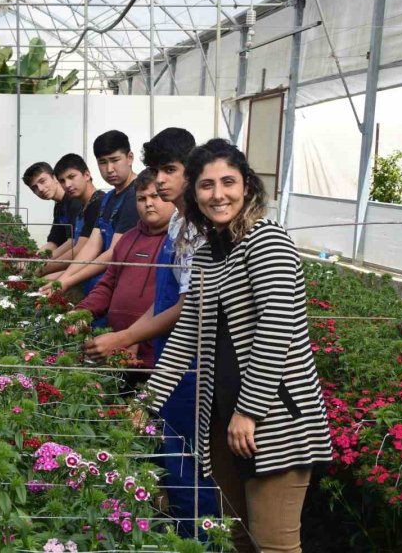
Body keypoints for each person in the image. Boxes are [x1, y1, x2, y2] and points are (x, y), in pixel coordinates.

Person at [144, 139, 333, 553]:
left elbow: (276, 329)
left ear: (246, 185)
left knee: (274, 545)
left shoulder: (267, 241)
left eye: (228, 182)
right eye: (206, 185)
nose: (218, 194)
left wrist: (248, 411)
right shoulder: (209, 253)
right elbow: (186, 335)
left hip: (273, 421)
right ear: (194, 193)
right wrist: (147, 402)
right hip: (223, 422)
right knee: (237, 538)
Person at [106, 127, 219, 537]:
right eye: (156, 170)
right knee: (173, 457)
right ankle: (183, 534)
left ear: (192, 169)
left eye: (169, 170)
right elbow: (165, 298)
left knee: (191, 463)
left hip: (194, 363)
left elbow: (188, 308)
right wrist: (134, 334)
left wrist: (123, 337)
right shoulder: (179, 226)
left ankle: (202, 540)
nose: (160, 181)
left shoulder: (202, 231)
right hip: (171, 359)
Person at [77, 169, 175, 378]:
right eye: (141, 198)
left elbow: (172, 303)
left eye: (155, 196)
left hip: (156, 355)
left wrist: (134, 337)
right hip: (116, 348)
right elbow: (107, 285)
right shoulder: (128, 239)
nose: (148, 203)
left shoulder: (177, 244)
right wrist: (81, 314)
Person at [42, 131, 139, 295]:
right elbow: (92, 246)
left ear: (129, 158)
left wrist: (67, 280)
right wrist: (63, 279)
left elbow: (114, 252)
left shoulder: (137, 194)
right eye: (102, 162)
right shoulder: (108, 198)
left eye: (115, 160)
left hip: (124, 285)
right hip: (101, 283)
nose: (109, 169)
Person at [37, 153, 104, 281]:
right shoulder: (82, 205)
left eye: (72, 177)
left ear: (87, 175)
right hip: (80, 269)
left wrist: (42, 268)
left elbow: (80, 250)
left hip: (94, 275)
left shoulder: (97, 203)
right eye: (62, 181)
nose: (67, 185)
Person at [22, 161, 83, 255]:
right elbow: (54, 242)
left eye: (42, 181)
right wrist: (33, 259)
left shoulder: (74, 201)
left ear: (55, 177)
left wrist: (43, 261)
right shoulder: (59, 206)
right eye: (34, 188)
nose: (40, 189)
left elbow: (73, 242)